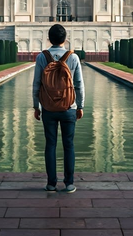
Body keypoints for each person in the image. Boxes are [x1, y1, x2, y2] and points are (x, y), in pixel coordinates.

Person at [32, 24, 85, 193]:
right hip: (69, 107)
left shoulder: (42, 57)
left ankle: (51, 184)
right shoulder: (73, 57)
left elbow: (36, 84)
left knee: (51, 145)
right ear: (65, 39)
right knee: (69, 145)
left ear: (49, 38)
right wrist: (80, 106)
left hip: (48, 108)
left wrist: (36, 106)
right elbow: (79, 85)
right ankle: (69, 183)